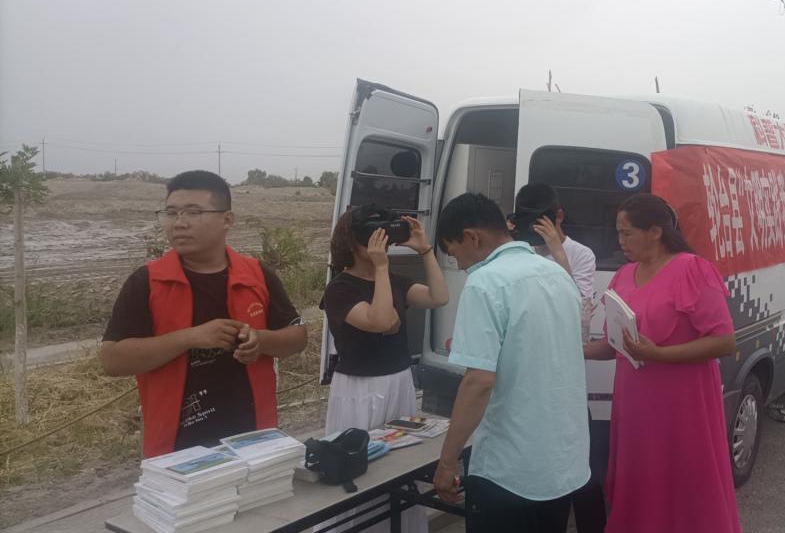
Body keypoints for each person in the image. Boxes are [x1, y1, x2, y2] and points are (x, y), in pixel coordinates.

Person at [100, 170, 308, 458]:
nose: (179, 223)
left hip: (253, 435)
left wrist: (261, 341)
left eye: (193, 212)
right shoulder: (147, 282)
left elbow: (298, 337)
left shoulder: (257, 275)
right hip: (177, 448)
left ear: (227, 220)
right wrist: (189, 338)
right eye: (171, 213)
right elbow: (112, 360)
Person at [431, 193, 590, 533]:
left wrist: (447, 462)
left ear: (472, 237)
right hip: (562, 463)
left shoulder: (484, 282)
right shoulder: (558, 273)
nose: (460, 264)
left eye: (455, 253)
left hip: (509, 472)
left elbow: (479, 381)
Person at [583, 193, 741, 533]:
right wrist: (574, 349)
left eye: (627, 233)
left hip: (681, 406)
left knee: (682, 484)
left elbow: (724, 341)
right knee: (641, 482)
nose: (620, 241)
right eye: (618, 232)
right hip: (635, 406)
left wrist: (659, 355)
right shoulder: (624, 275)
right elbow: (614, 346)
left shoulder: (692, 270)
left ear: (655, 232)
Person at [320, 204, 448, 533]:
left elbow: (438, 297)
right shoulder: (340, 289)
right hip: (359, 388)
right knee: (362, 467)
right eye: (371, 234)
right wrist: (380, 269)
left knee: (399, 464)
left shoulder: (394, 281)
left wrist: (425, 251)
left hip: (398, 381)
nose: (381, 240)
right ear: (351, 241)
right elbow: (379, 321)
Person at [509, 183, 605, 532]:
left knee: (580, 465)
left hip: (566, 375)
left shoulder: (580, 254)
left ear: (558, 216)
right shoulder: (517, 253)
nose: (535, 228)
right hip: (527, 374)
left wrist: (557, 255)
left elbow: (580, 315)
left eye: (541, 220)